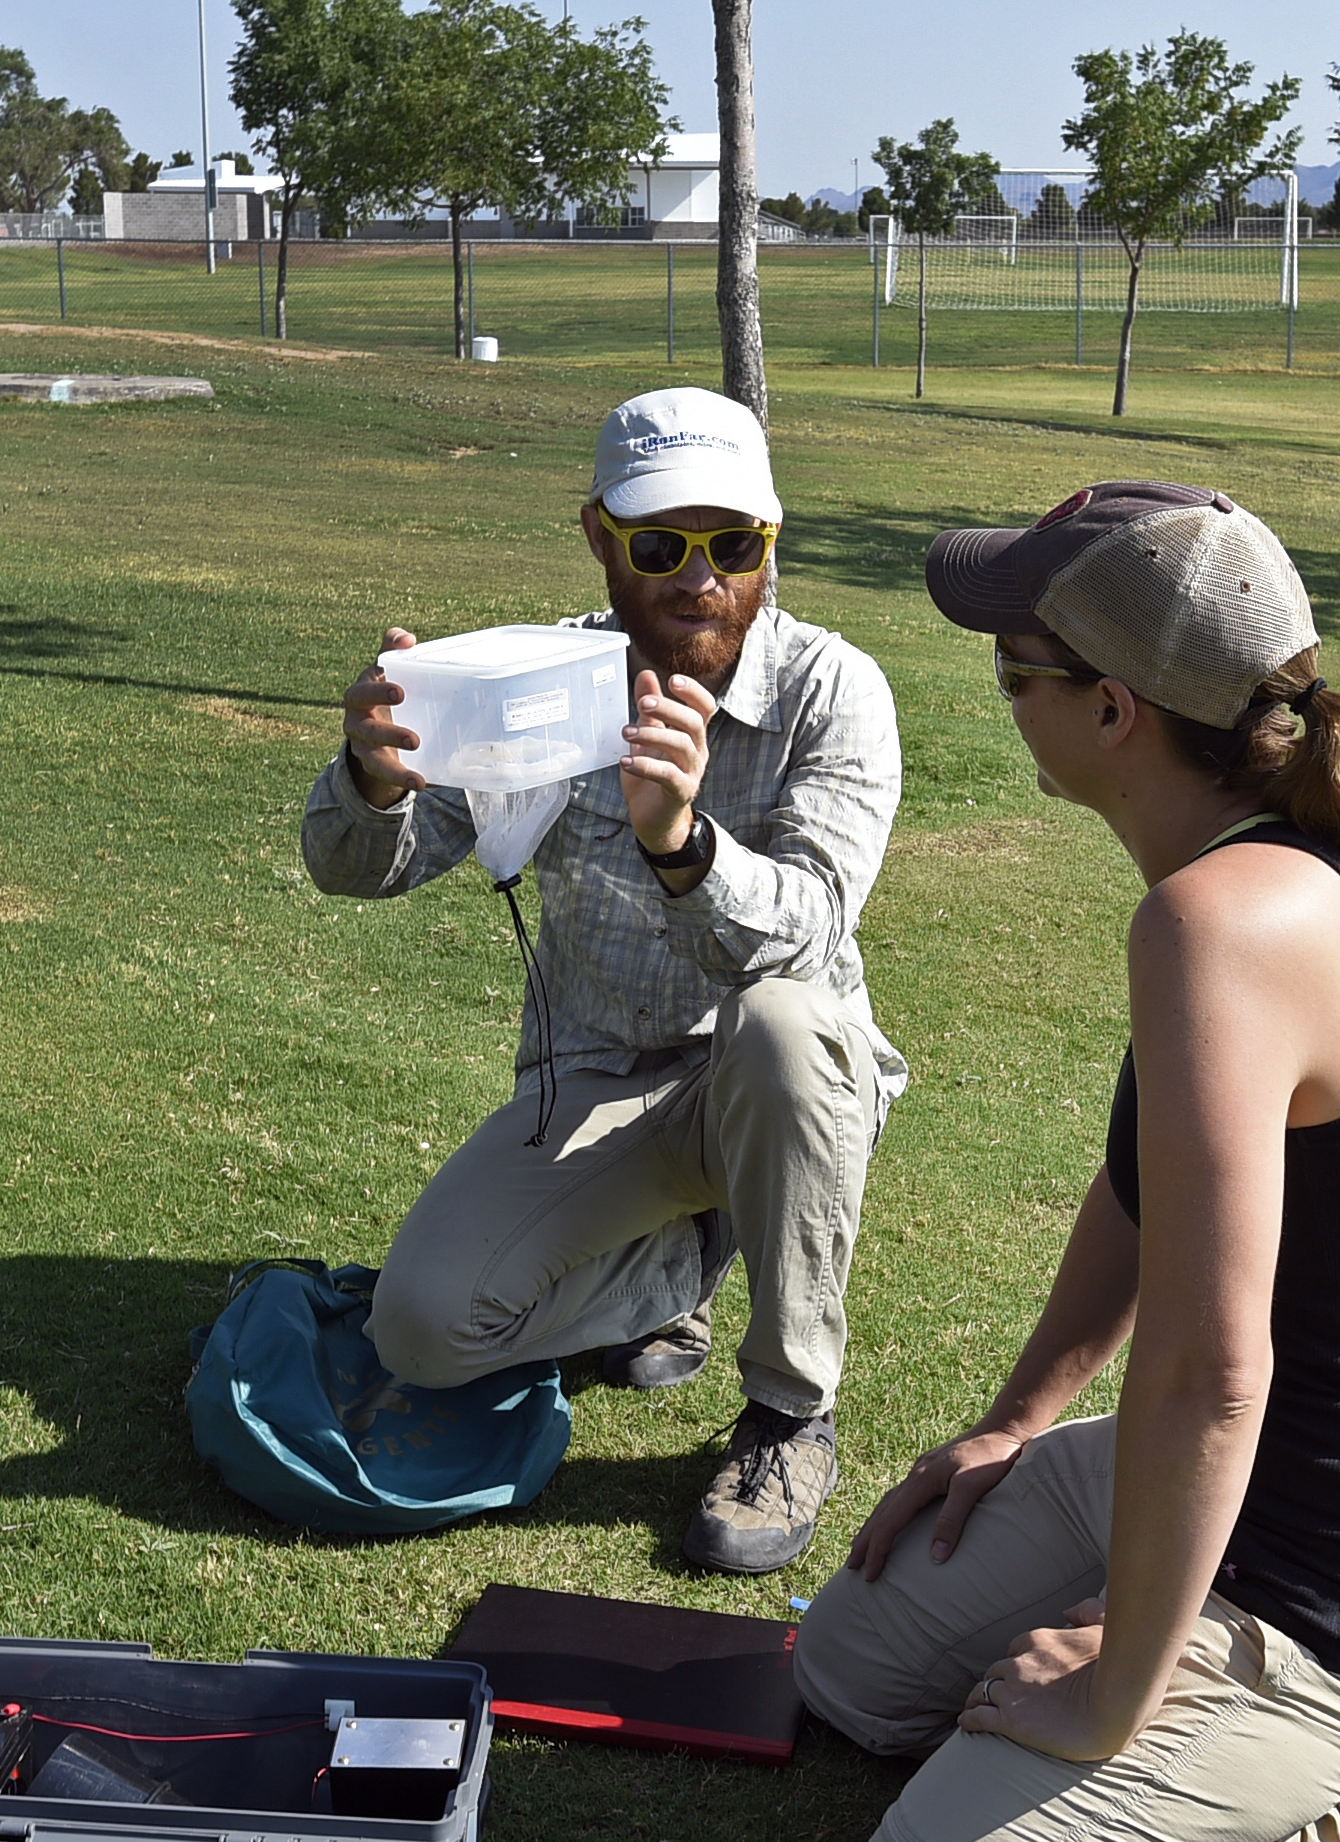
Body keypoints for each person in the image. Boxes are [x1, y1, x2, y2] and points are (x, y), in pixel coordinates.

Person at [787, 482, 1340, 1842]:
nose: (1001, 698)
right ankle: (1144, 1688)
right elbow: (1147, 1197)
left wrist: (1119, 1688)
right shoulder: (1240, 873)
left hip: (1332, 1617)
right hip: (1214, 1509)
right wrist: (1014, 1418)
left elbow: (1215, 1373)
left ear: (1112, 709)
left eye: (1013, 672)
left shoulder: (1223, 921)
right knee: (850, 1669)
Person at [303, 387, 905, 1573]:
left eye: (734, 545)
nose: (700, 578)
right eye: (659, 544)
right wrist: (373, 780)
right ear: (596, 536)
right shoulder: (541, 683)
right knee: (421, 1328)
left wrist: (683, 842)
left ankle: (788, 1413)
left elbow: (810, 926)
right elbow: (353, 869)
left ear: (769, 542)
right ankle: (671, 1269)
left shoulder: (832, 690)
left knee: (784, 1025)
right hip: (593, 1082)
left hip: (775, 1086)